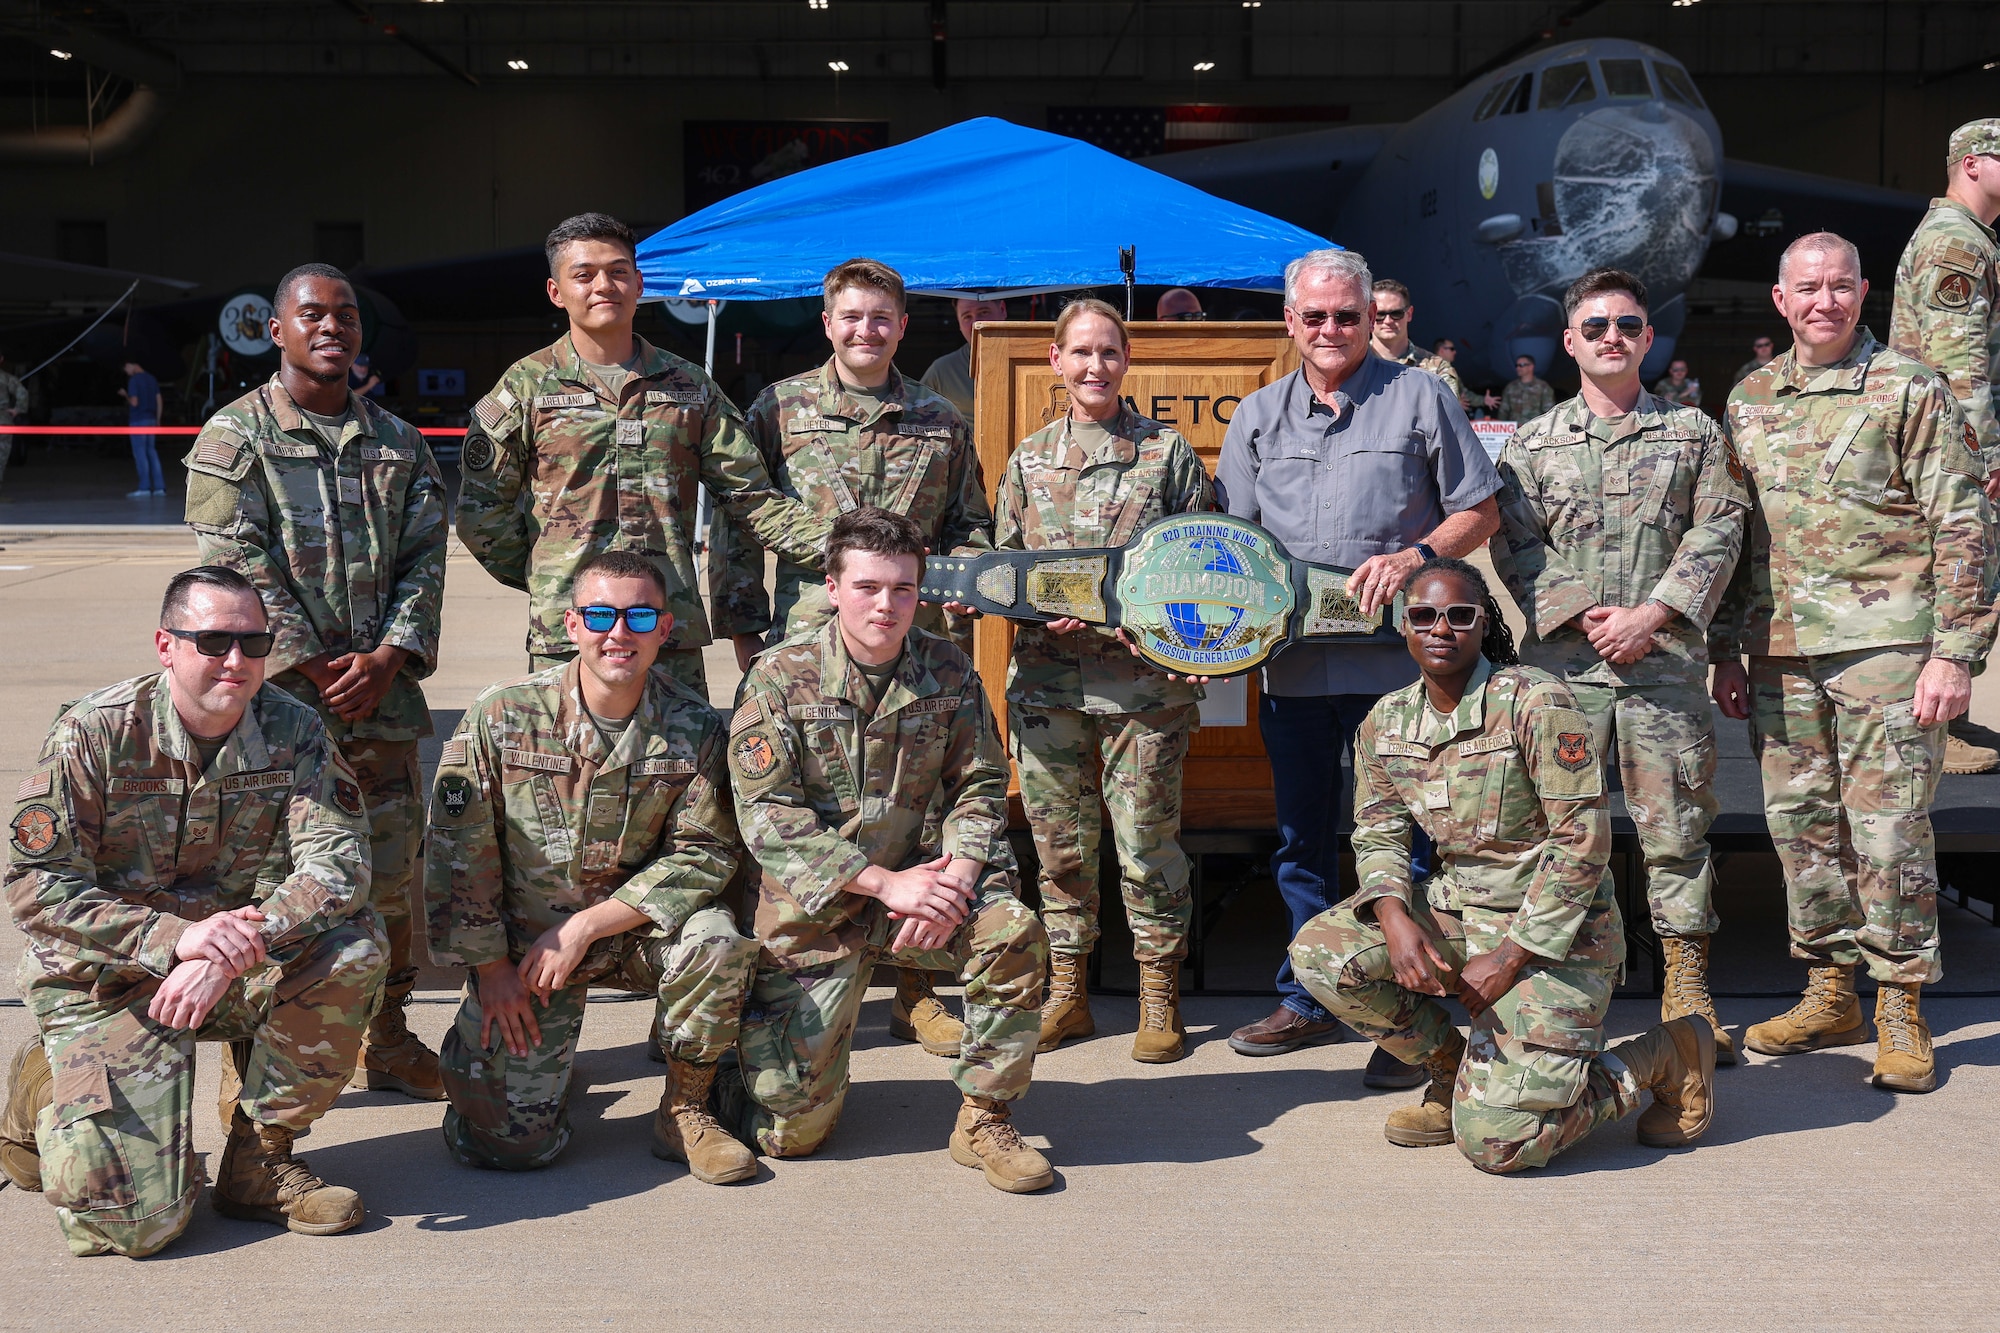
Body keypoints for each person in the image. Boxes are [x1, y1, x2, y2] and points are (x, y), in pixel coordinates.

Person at [0, 566, 386, 1255]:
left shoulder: (295, 729)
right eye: (211, 640)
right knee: (137, 1227)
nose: (235, 660)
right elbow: (36, 884)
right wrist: (176, 939)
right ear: (165, 644)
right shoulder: (94, 734)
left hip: (231, 965)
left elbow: (341, 864)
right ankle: (40, 1087)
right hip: (107, 975)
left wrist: (238, 942)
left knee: (354, 947)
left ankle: (260, 1162)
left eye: (253, 641)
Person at [1288, 558, 1715, 1173]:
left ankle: (1662, 1055)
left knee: (1501, 1144)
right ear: (1401, 627)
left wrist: (1512, 956)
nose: (1441, 628)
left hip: (1557, 935)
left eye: (1459, 616)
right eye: (1423, 615)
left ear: (1481, 623)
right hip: (1461, 909)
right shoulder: (1384, 722)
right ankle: (1448, 1071)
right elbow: (1376, 831)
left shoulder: (1536, 701)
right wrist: (1393, 917)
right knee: (1322, 953)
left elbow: (1582, 843)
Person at [1713, 232, 1996, 1094]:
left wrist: (1955, 652)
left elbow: (1965, 524)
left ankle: (1900, 1000)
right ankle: (1830, 988)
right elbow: (1737, 533)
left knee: (1889, 831)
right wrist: (1729, 644)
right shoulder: (1751, 397)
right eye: (1809, 287)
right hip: (1782, 649)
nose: (1825, 301)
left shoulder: (1909, 387)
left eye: (1840, 286)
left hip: (1886, 645)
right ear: (1780, 300)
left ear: (1864, 291)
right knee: (1803, 830)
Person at [1215, 247, 1502, 1073]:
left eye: (1349, 314)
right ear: (1291, 321)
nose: (1333, 329)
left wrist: (1416, 555)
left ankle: (1406, 1015)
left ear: (1371, 315)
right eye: (1317, 316)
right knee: (1304, 839)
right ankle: (1309, 997)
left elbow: (1478, 511)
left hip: (1402, 676)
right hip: (1296, 671)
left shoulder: (1419, 397)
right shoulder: (1258, 418)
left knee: (1411, 843)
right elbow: (1231, 548)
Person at [710, 260, 996, 1057]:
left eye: (882, 318)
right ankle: (757, 974)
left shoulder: (939, 418)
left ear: (903, 327)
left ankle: (916, 990)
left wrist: (971, 577)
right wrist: (742, 622)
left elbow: (970, 520)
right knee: (789, 802)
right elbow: (741, 518)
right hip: (807, 640)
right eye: (851, 316)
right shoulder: (780, 407)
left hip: (912, 637)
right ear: (827, 322)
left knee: (918, 803)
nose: (866, 330)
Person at [722, 507, 1054, 1192]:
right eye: (869, 586)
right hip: (819, 908)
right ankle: (737, 1067)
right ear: (833, 586)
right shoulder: (780, 677)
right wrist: (882, 883)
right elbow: (766, 815)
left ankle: (984, 1115)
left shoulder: (947, 667)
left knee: (1010, 930)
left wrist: (958, 878)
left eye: (903, 588)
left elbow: (983, 782)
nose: (887, 604)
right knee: (793, 1134)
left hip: (925, 892)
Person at [183, 263, 448, 1103]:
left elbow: (425, 560)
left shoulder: (399, 443)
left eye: (346, 317)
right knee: (267, 881)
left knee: (391, 873)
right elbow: (232, 562)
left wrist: (390, 658)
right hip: (273, 709)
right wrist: (308, 662)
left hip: (382, 703)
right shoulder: (236, 438)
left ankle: (391, 1035)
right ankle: (251, 1056)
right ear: (277, 330)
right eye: (313, 315)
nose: (332, 327)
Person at [425, 552, 759, 1183]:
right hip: (527, 952)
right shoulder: (502, 717)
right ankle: (487, 1061)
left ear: (665, 628)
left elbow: (704, 852)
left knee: (717, 941)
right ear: (572, 624)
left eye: (639, 616)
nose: (619, 633)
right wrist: (490, 969)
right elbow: (458, 851)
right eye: (602, 614)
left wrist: (585, 928)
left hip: (632, 933)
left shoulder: (693, 727)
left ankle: (685, 1107)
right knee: (512, 1148)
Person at [1488, 267, 1749, 1063]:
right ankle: (1560, 988)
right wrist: (1585, 612)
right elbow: (1514, 543)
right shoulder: (1531, 442)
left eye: (1627, 326)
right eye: (1595, 326)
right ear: (1569, 342)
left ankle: (1686, 989)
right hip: (1563, 673)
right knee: (1557, 831)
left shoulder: (1695, 434)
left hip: (1661, 666)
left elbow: (1721, 530)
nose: (1612, 337)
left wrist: (1651, 615)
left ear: (1648, 338)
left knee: (1675, 831)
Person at [453, 212, 829, 692]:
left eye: (618, 271)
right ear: (556, 291)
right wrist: (551, 574)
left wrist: (844, 550)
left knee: (680, 764)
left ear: (639, 283)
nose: (603, 285)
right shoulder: (525, 387)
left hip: (666, 630)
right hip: (571, 633)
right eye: (584, 275)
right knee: (568, 761)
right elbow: (481, 511)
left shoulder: (690, 388)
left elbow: (750, 499)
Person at [995, 298, 1214, 1062]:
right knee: (1060, 848)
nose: (1094, 366)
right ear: (1055, 361)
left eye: (1108, 352)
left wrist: (1159, 623)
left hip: (1144, 691)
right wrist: (1033, 613)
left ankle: (1160, 993)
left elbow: (1206, 565)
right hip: (1050, 687)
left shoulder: (1168, 453)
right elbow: (1002, 573)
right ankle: (1068, 990)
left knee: (1147, 844)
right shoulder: (1026, 461)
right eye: (1080, 352)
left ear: (1127, 361)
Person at [1889, 118, 2000, 775]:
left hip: (1944, 446)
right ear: (1974, 164)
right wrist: (1982, 456)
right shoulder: (1957, 244)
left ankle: (1943, 717)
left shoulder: (1970, 239)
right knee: (1955, 576)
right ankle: (1928, 730)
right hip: (1950, 451)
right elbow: (1960, 369)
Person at [1368, 279, 1466, 402]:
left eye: (1396, 313)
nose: (1388, 321)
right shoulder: (1352, 364)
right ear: (1370, 315)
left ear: (1409, 314)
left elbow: (1446, 417)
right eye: (1379, 314)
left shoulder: (1437, 370)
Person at [919, 295, 1009, 423]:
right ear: (959, 323)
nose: (976, 324)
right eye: (967, 317)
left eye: (984, 312)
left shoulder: (1034, 361)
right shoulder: (943, 371)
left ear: (1002, 309)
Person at [123, 360, 165, 498]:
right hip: (151, 419)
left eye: (127, 369)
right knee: (152, 452)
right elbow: (159, 400)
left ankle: (145, 487)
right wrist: (158, 419)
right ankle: (159, 488)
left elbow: (134, 402)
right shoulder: (152, 379)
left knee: (140, 454)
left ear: (132, 365)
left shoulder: (134, 380)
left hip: (138, 421)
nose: (127, 372)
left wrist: (125, 395)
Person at [1489, 354, 1556, 422]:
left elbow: (1549, 412)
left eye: (1521, 365)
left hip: (1534, 429)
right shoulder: (1511, 387)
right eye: (1516, 365)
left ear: (1531, 367)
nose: (1518, 368)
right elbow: (1503, 411)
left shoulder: (1543, 387)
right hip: (1514, 429)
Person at [0, 349, 27, 500]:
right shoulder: (6, 378)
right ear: (1, 359)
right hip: (2, 420)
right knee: (0, 458)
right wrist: (18, 409)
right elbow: (22, 393)